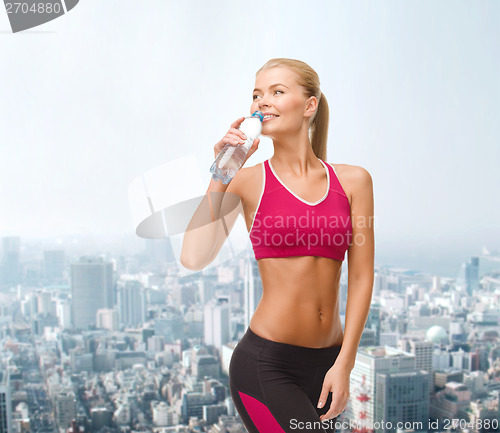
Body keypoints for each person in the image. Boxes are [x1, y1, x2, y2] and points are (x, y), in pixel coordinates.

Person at [180, 58, 374, 433]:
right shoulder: (247, 182)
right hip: (267, 365)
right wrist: (221, 172)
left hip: (329, 363)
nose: (262, 102)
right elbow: (193, 257)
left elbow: (362, 277)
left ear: (309, 105)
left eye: (276, 92)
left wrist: (345, 364)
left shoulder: (355, 181)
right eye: (256, 95)